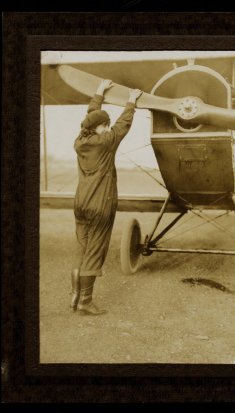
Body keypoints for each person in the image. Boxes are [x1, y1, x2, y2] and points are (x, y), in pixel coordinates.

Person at [70, 79, 142, 316]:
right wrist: (132, 100)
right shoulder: (106, 141)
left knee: (82, 249)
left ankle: (75, 293)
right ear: (101, 127)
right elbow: (123, 125)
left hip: (80, 204)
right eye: (105, 124)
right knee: (95, 252)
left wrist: (98, 92)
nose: (108, 127)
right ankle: (85, 302)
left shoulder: (81, 140)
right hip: (101, 205)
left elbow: (91, 117)